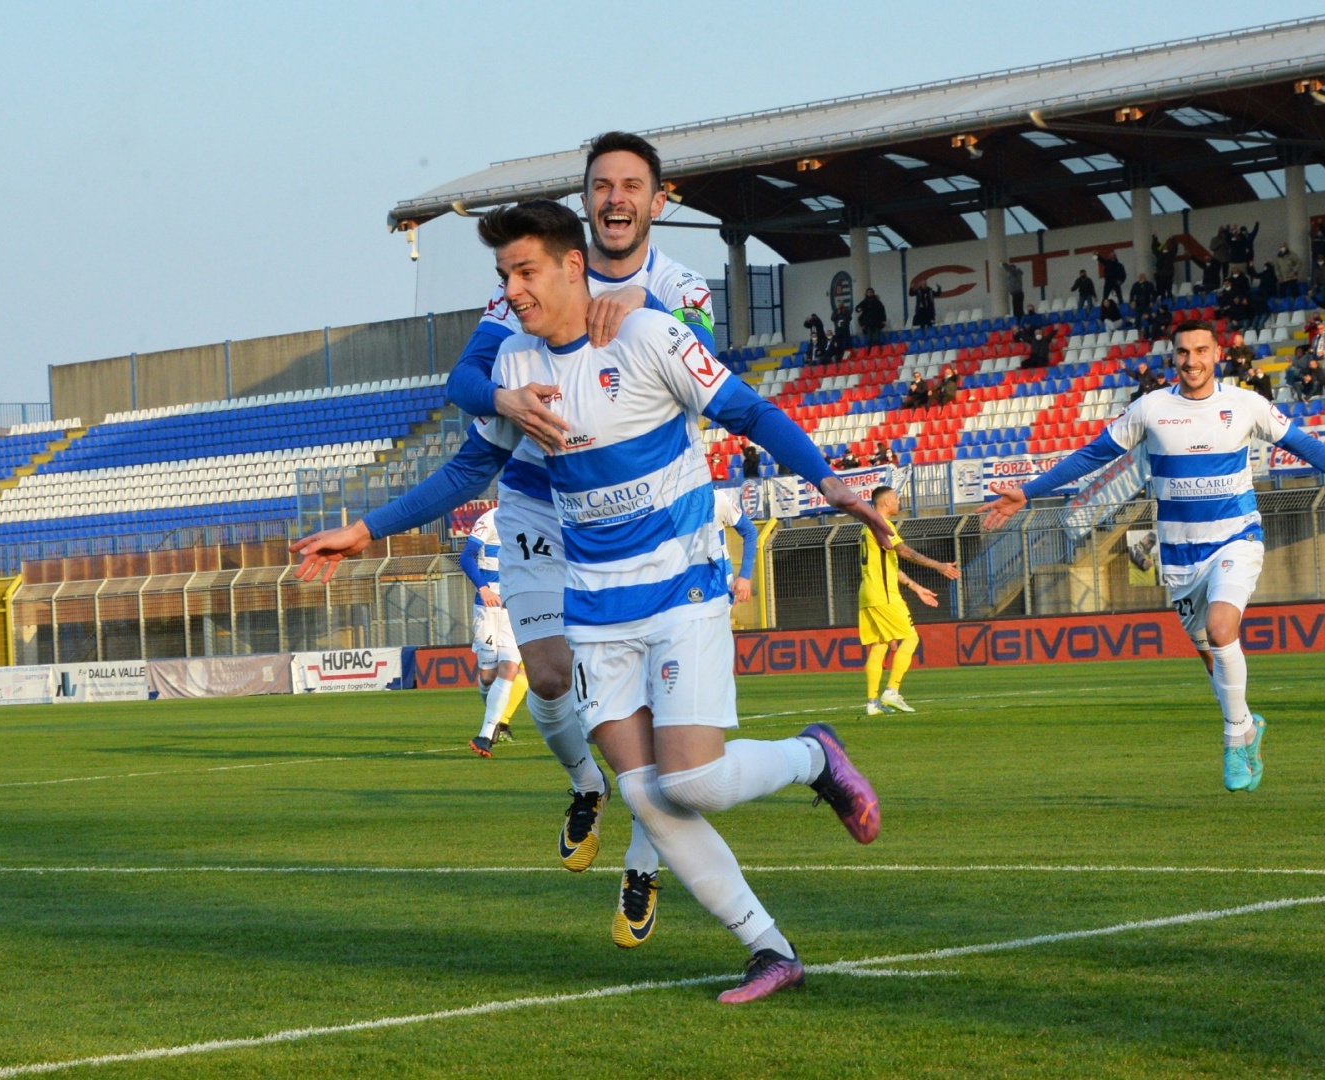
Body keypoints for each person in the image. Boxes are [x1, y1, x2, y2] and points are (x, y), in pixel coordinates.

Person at [296, 199, 893, 1003]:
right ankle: (768, 948)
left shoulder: (649, 337)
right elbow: (470, 472)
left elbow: (749, 411)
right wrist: (363, 531)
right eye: (503, 275)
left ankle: (815, 755)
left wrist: (828, 482)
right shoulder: (513, 368)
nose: (511, 291)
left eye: (525, 271)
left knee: (694, 785)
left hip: (681, 585)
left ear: (574, 266)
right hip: (596, 606)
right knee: (647, 791)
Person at [360, 132, 722, 945]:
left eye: (633, 185)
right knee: (551, 678)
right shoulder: (530, 282)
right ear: (585, 203)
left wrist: (639, 315)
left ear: (660, 203)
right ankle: (584, 784)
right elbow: (463, 383)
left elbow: (706, 375)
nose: (616, 198)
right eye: (602, 186)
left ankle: (644, 864)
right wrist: (504, 398)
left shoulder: (682, 289)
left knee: (659, 715)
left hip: (648, 507)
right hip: (538, 496)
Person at [982, 320, 1325, 792]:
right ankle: (1247, 724)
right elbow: (1092, 455)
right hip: (1180, 554)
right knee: (1211, 656)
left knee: (1224, 630)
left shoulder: (1245, 404)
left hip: (1236, 538)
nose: (1192, 361)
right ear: (1174, 358)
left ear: (1217, 354)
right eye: (1184, 352)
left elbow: (1305, 445)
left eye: (1201, 350)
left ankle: (1232, 742)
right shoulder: (1151, 408)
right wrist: (1029, 492)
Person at [858, 485, 960, 716]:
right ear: (885, 502)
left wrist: (916, 587)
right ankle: (892, 691)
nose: (899, 501)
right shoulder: (882, 525)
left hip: (868, 593)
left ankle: (872, 704)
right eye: (896, 498)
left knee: (880, 645)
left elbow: (890, 568)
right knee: (911, 638)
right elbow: (905, 552)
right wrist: (940, 566)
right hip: (884, 595)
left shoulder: (867, 528)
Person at [462, 505, 527, 755]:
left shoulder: (530, 519)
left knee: (510, 667)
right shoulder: (490, 519)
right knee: (488, 676)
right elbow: (466, 556)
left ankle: (486, 734)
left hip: (513, 606)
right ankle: (493, 716)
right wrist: (483, 587)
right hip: (487, 607)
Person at [713, 488, 759, 606]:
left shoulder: (717, 499)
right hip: (689, 578)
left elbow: (750, 531)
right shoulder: (671, 506)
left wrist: (744, 575)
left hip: (719, 578)